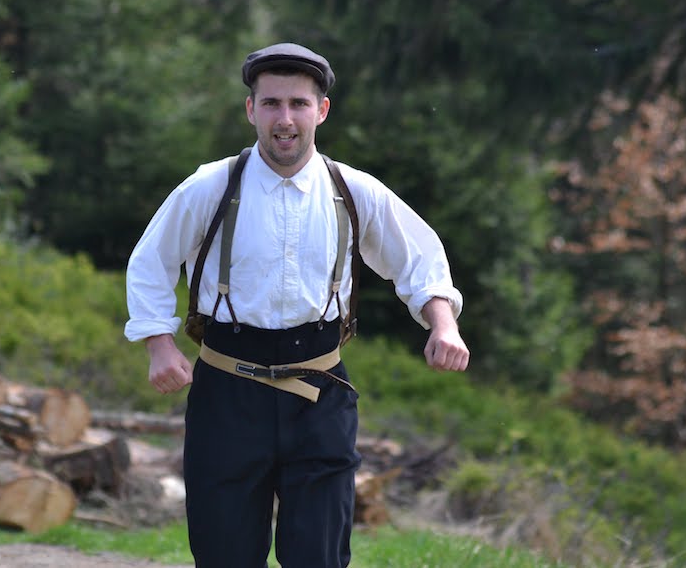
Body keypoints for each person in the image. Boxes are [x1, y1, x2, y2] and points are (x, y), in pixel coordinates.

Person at [125, 42, 469, 568]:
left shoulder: (352, 191)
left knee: (319, 556)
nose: (284, 119)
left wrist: (443, 324)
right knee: (224, 555)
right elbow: (150, 261)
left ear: (321, 111)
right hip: (227, 392)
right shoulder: (210, 186)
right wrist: (159, 344)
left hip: (320, 392)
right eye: (271, 103)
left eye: (298, 104)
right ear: (251, 110)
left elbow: (420, 259)